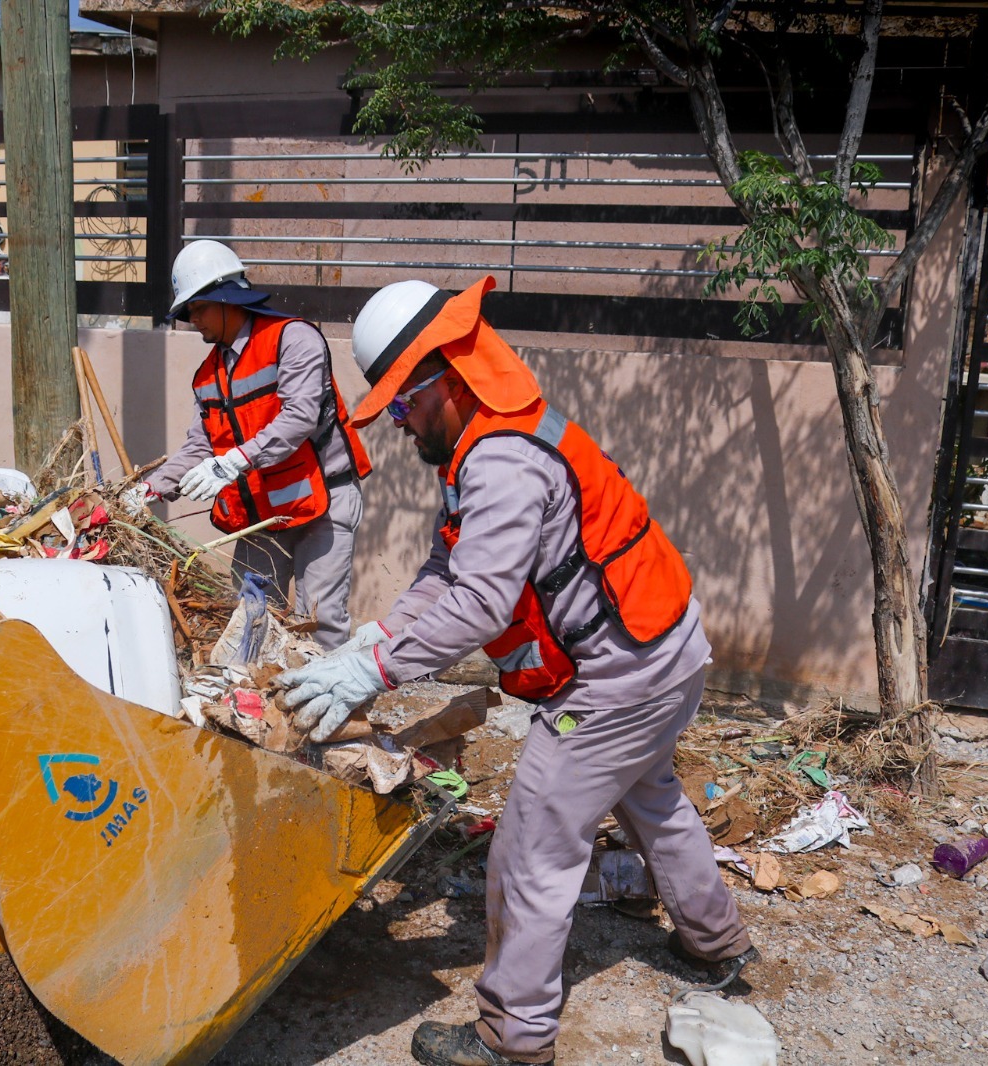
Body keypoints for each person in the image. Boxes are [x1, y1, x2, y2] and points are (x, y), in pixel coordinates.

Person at [276, 277, 754, 1066]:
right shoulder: (493, 438)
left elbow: (481, 605)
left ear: (447, 385)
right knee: (653, 801)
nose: (397, 422)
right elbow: (447, 564)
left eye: (402, 404)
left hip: (617, 678)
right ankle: (719, 944)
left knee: (533, 845)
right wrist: (380, 632)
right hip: (664, 653)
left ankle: (513, 1037)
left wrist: (377, 673)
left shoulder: (501, 462)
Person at [142, 240, 372, 649]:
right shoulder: (207, 376)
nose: (193, 319)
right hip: (263, 511)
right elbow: (201, 447)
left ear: (227, 298)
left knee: (318, 622)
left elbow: (300, 417)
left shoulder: (294, 339)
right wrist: (147, 490)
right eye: (189, 312)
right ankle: (252, 709)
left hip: (324, 499)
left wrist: (234, 462)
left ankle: (329, 707)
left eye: (198, 308)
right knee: (248, 618)